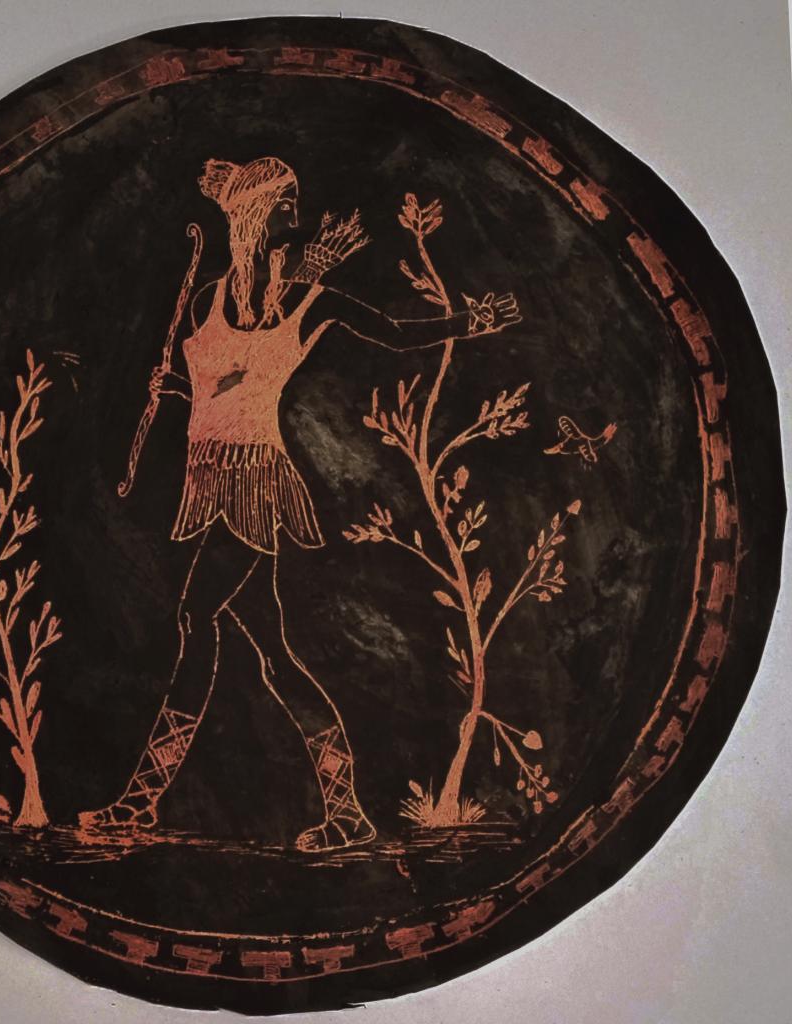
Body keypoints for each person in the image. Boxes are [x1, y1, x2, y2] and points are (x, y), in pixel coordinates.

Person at [78, 156, 520, 852]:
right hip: (209, 475)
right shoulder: (208, 297)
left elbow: (395, 331)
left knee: (197, 618)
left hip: (255, 483)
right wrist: (175, 390)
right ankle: (346, 813)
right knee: (276, 656)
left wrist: (473, 321)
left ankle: (139, 803)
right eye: (286, 201)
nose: (297, 211)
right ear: (258, 212)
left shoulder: (313, 304)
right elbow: (217, 390)